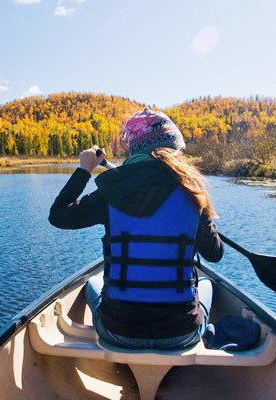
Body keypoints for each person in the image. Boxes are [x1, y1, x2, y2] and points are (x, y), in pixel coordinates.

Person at [49, 107, 223, 349]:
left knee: (92, 283)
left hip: (119, 331)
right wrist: (204, 221)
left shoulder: (111, 192)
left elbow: (59, 216)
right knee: (207, 284)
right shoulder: (193, 192)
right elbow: (215, 254)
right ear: (174, 148)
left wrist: (84, 170)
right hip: (180, 333)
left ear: (134, 149)